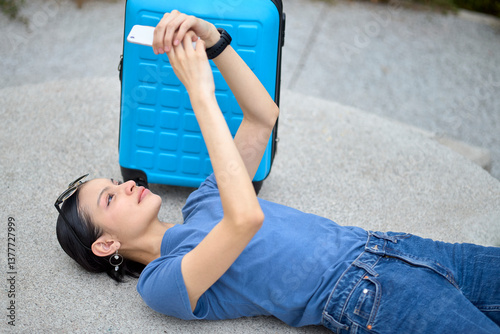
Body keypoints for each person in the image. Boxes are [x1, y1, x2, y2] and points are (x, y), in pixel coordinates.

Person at [55, 11, 500, 334]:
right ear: (106, 243)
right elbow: (245, 220)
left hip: (392, 247)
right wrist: (199, 93)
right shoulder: (160, 281)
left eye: (115, 182)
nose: (127, 183)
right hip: (365, 294)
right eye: (110, 197)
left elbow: (262, 116)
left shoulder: (205, 201)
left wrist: (215, 42)